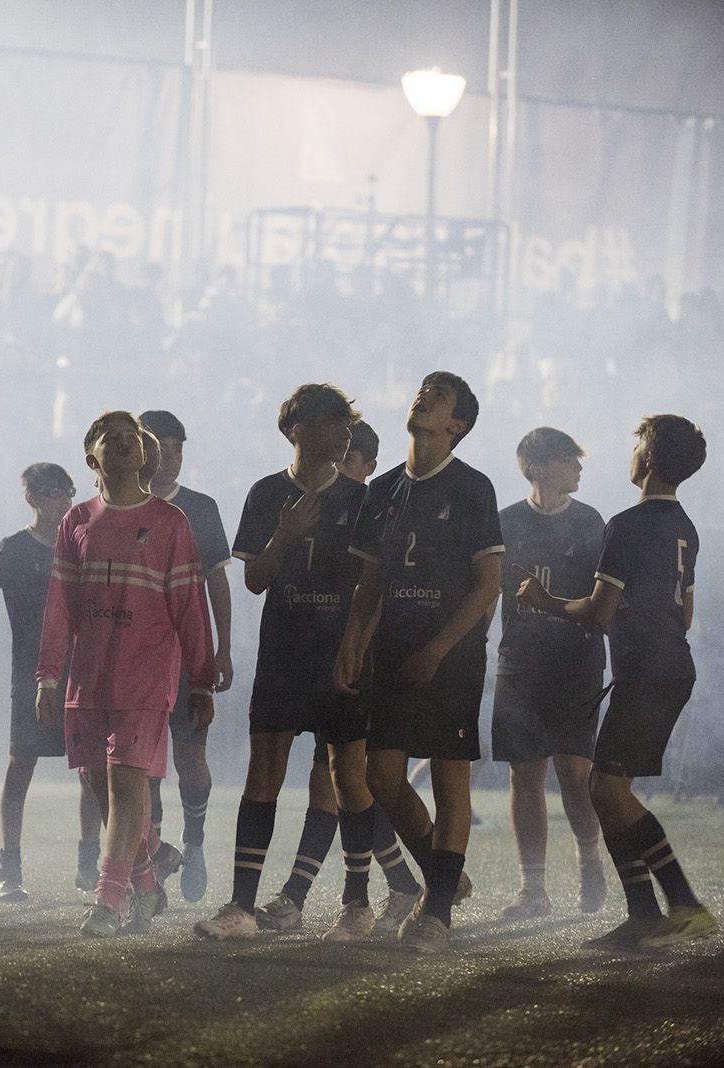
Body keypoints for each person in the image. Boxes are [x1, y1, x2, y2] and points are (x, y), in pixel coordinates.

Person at [194, 387, 422, 941]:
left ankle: (357, 906)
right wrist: (285, 533)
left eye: (348, 424)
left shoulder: (365, 499)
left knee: (350, 778)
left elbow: (375, 586)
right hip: (283, 655)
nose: (345, 432)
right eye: (335, 422)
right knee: (264, 773)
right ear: (298, 428)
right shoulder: (267, 493)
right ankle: (241, 910)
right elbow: (254, 579)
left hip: (342, 659)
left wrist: (359, 647)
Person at [520, 414, 715, 950]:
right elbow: (687, 613)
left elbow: (599, 613)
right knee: (605, 791)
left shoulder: (627, 525)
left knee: (606, 789)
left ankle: (682, 903)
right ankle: (644, 914)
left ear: (648, 458)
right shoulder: (685, 527)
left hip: (648, 670)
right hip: (668, 665)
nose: (631, 453)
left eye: (637, 445)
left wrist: (546, 602)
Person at [333, 372, 504, 954]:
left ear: (456, 425)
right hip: (392, 652)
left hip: (451, 655)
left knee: (451, 776)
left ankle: (436, 914)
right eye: (423, 389)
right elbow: (371, 582)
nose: (423, 396)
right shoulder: (382, 491)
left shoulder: (473, 488)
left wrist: (439, 648)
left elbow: (488, 583)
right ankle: (445, 876)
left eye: (441, 395)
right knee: (380, 775)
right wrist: (353, 642)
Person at [36, 411, 216, 936]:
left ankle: (107, 900)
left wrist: (202, 679)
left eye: (128, 437)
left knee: (126, 782)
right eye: (106, 438)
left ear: (143, 453)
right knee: (99, 787)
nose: (119, 444)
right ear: (91, 456)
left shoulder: (171, 522)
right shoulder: (76, 521)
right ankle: (151, 872)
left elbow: (189, 605)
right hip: (88, 679)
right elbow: (59, 606)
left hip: (145, 678)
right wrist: (47, 677)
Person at [0, 463, 100, 901]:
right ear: (33, 499)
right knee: (21, 765)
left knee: (91, 768)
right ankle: (10, 868)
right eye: (55, 492)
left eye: (69, 491)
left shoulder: (82, 542)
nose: (64, 501)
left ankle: (90, 862)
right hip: (31, 675)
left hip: (80, 672)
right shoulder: (14, 549)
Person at [493, 428, 608, 919]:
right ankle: (533, 889)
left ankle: (589, 858)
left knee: (574, 774)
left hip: (576, 663)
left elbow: (602, 604)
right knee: (525, 775)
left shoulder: (590, 522)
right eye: (569, 460)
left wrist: (550, 605)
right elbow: (487, 592)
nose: (579, 469)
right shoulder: (506, 523)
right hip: (519, 662)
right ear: (538, 467)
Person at [137, 410, 235, 903]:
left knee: (190, 757)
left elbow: (218, 578)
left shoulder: (201, 508)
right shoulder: (119, 506)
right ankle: (151, 856)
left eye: (177, 447)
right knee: (142, 762)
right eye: (160, 446)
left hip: (187, 654)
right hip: (136, 658)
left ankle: (193, 843)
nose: (169, 456)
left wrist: (224, 648)